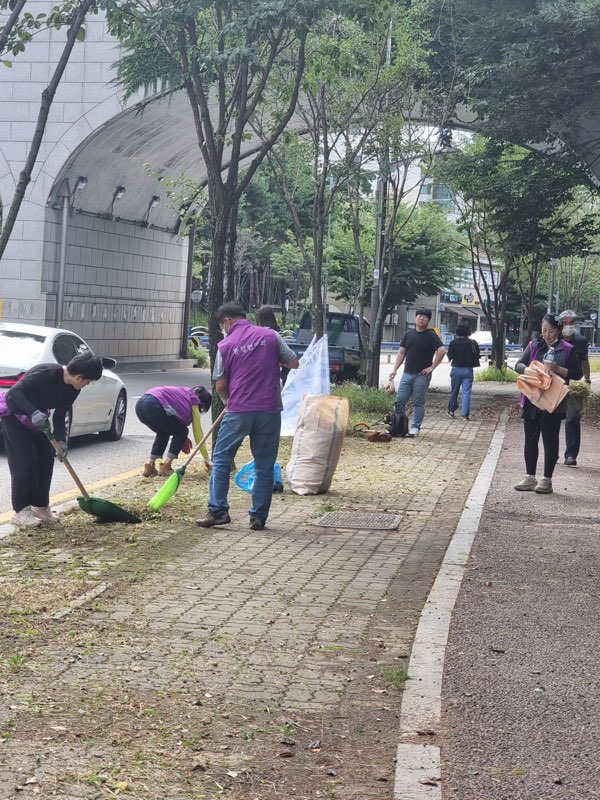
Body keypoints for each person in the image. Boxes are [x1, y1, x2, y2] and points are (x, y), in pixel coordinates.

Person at [196, 301, 299, 531]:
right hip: (270, 410)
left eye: (222, 325)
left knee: (221, 459)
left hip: (239, 410)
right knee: (264, 464)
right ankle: (258, 517)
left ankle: (218, 510)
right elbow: (294, 361)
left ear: (227, 321)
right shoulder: (271, 336)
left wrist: (226, 401)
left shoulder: (226, 345)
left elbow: (221, 385)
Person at [0, 352, 104, 527]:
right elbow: (15, 392)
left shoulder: (73, 390)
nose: (86, 385)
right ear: (79, 376)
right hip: (14, 415)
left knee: (46, 458)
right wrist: (32, 411)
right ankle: (20, 511)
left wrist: (62, 441)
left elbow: (60, 414)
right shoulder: (47, 373)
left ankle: (40, 507)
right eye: (88, 381)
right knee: (25, 462)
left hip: (38, 420)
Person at [514, 313, 582, 494]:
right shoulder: (534, 345)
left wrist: (558, 369)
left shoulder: (567, 349)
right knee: (530, 439)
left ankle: (546, 479)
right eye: (544, 330)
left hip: (553, 402)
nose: (547, 334)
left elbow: (577, 374)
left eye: (551, 331)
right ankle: (530, 477)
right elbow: (518, 365)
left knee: (550, 440)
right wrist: (527, 369)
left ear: (558, 330)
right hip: (532, 399)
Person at [389, 308, 446, 436]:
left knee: (418, 402)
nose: (422, 319)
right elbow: (401, 352)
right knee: (400, 401)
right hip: (407, 373)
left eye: (425, 317)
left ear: (428, 320)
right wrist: (395, 369)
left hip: (422, 375)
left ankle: (415, 428)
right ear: (415, 318)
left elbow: (442, 350)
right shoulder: (408, 334)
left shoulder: (431, 335)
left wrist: (432, 367)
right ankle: (399, 426)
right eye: (419, 316)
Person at [135, 385, 212, 477]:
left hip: (140, 405)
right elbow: (198, 433)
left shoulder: (184, 393)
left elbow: (172, 422)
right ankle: (166, 466)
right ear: (202, 402)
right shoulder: (194, 401)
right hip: (154, 405)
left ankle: (150, 467)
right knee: (182, 431)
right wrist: (206, 458)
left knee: (163, 432)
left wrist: (182, 439)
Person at [558, 309, 591, 466]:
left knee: (572, 418)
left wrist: (587, 379)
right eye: (566, 323)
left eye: (572, 323)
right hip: (555, 383)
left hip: (575, 384)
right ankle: (552, 453)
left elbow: (585, 360)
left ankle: (570, 454)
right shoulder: (554, 338)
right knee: (552, 418)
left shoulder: (581, 341)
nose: (569, 326)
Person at [446, 322, 480, 420]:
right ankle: (465, 415)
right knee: (466, 392)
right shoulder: (473, 343)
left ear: (457, 331)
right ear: (468, 332)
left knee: (454, 391)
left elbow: (449, 356)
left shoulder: (453, 343)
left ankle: (451, 411)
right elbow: (477, 354)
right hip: (468, 370)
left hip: (456, 369)